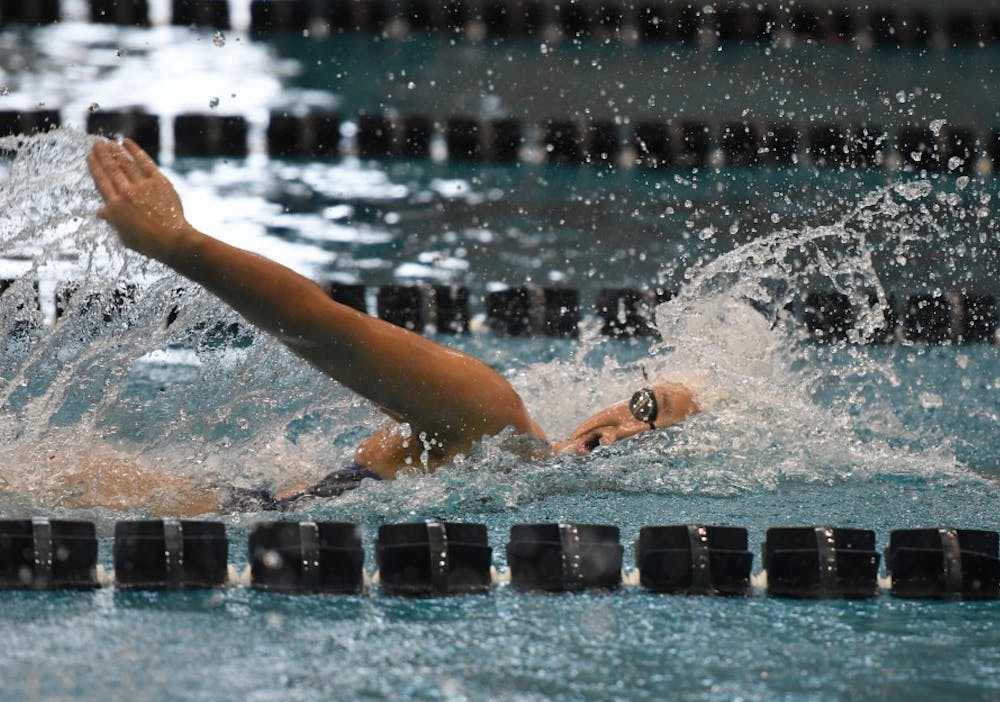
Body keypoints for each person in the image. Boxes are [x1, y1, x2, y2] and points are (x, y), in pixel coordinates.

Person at [87, 139, 699, 508]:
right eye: (642, 406)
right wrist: (181, 245)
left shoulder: (506, 471)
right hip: (211, 517)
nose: (627, 435)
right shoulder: (487, 415)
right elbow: (322, 326)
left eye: (655, 439)